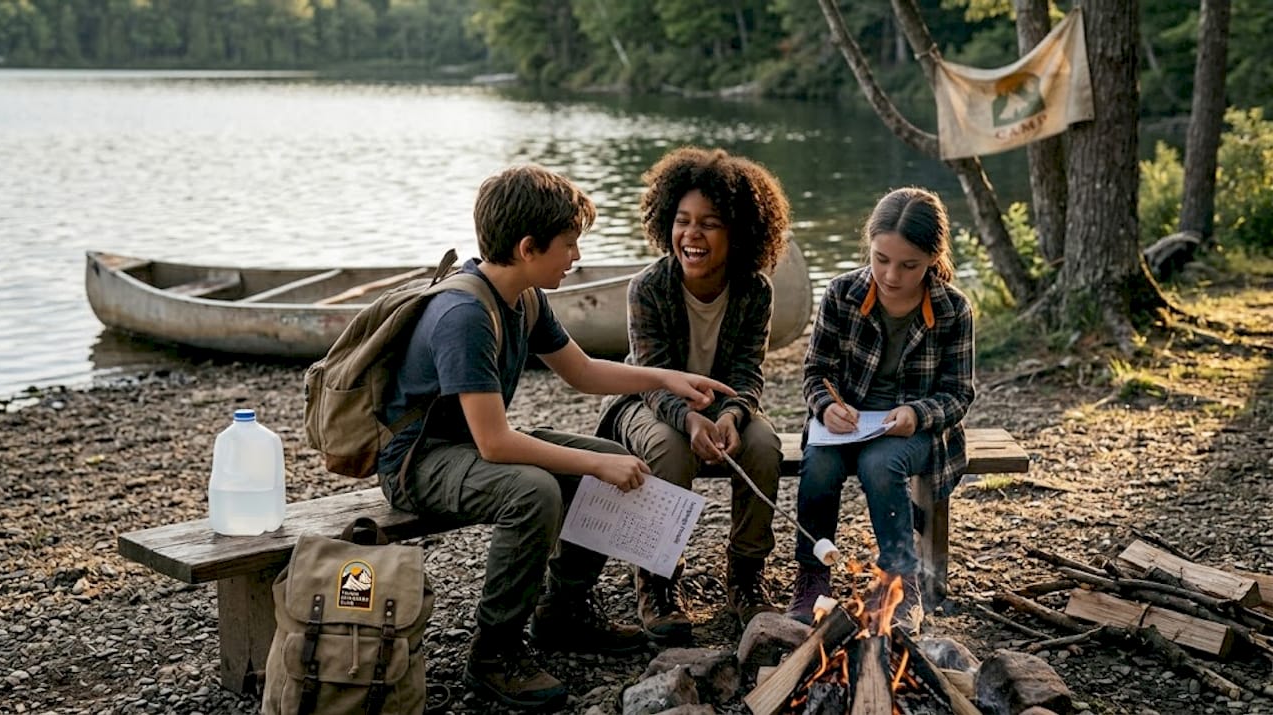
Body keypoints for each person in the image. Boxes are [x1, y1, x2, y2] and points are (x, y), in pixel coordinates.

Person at [376, 165, 737, 712]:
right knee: (536, 491)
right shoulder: (464, 315)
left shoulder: (524, 297)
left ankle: (563, 612)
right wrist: (590, 469)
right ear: (528, 247)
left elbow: (583, 372)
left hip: (470, 446)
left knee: (612, 456)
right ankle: (495, 652)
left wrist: (665, 377)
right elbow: (497, 444)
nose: (575, 257)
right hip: (418, 462)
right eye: (568, 245)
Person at [595, 147, 791, 643]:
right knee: (668, 449)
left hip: (720, 409)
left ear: (740, 231)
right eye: (682, 221)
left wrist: (730, 416)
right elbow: (649, 375)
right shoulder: (649, 288)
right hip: (644, 403)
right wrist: (689, 421)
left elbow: (748, 371)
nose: (692, 235)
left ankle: (746, 578)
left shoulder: (755, 291)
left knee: (765, 446)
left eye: (710, 223)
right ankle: (657, 581)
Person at [786, 187, 975, 635]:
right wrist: (827, 405)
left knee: (880, 463)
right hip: (845, 425)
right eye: (880, 259)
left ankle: (900, 580)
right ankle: (813, 574)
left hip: (911, 430)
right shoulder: (841, 294)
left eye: (909, 265)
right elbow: (815, 371)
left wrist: (915, 413)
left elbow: (959, 392)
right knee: (817, 467)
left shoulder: (953, 310)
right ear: (868, 247)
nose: (891, 275)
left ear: (933, 257)